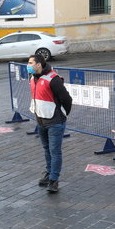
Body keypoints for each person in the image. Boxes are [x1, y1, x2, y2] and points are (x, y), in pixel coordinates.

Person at [27, 54, 72, 193]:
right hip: (41, 121)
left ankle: (54, 179)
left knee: (55, 151)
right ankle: (49, 173)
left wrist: (63, 114)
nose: (28, 65)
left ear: (39, 64)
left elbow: (67, 99)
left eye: (30, 63)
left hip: (55, 122)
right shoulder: (33, 78)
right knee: (47, 150)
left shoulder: (53, 79)